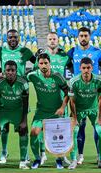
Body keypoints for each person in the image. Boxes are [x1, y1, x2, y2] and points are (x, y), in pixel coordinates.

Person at [67, 27, 101, 165]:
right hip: (79, 93)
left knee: (97, 127)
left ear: (89, 37)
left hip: (93, 94)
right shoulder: (72, 51)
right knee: (79, 127)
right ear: (78, 37)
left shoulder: (97, 52)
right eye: (81, 36)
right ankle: (80, 155)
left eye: (85, 36)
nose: (83, 38)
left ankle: (100, 157)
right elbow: (66, 64)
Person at [0, 29, 35, 164]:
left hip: (21, 91)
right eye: (10, 37)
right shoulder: (1, 50)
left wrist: (28, 75)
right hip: (6, 90)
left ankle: (25, 155)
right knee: (4, 127)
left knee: (23, 126)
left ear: (19, 38)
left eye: (15, 37)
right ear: (6, 38)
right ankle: (4, 152)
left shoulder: (25, 51)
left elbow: (37, 62)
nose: (13, 39)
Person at [34, 32, 71, 165]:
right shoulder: (42, 57)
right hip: (45, 96)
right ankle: (43, 153)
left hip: (61, 97)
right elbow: (34, 72)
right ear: (47, 41)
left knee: (61, 127)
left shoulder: (64, 56)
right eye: (50, 39)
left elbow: (73, 70)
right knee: (41, 126)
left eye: (54, 39)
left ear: (58, 40)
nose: (52, 41)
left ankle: (62, 154)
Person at [27, 53, 69, 169]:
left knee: (57, 136)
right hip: (41, 111)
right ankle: (37, 158)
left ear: (50, 64)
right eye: (41, 63)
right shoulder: (33, 76)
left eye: (46, 63)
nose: (44, 65)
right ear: (38, 64)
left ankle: (58, 159)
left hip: (56, 112)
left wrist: (62, 107)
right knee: (34, 133)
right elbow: (20, 80)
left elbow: (67, 92)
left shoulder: (57, 76)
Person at [68, 57, 101, 170]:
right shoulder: (73, 81)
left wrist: (100, 117)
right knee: (74, 131)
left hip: (94, 109)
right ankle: (73, 160)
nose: (86, 70)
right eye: (84, 68)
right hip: (79, 110)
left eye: (88, 68)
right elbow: (72, 102)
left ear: (92, 68)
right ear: (80, 68)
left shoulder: (99, 80)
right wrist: (74, 118)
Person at [0, 60, 29, 170]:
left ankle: (22, 161)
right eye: (8, 70)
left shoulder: (23, 83)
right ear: (4, 71)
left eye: (12, 70)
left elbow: (26, 103)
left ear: (16, 71)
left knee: (23, 131)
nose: (10, 72)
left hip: (18, 110)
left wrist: (24, 120)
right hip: (3, 111)